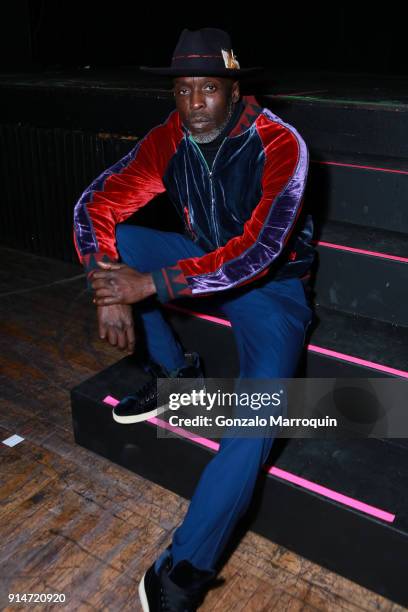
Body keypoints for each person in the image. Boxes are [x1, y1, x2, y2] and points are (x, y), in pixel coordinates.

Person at [73, 27, 315, 612]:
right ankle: (173, 373)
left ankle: (186, 567)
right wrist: (107, 288)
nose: (193, 103)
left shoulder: (279, 144)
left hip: (271, 289)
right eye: (182, 90)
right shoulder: (171, 137)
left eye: (208, 88)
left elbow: (258, 252)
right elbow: (95, 205)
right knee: (122, 239)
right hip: (197, 260)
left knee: (258, 422)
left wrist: (150, 284)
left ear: (234, 90)